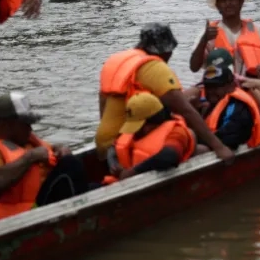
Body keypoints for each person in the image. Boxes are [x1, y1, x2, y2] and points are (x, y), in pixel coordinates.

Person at [96, 23, 234, 162]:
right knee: (195, 142)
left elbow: (103, 104)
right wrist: (219, 147)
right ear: (167, 51)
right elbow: (186, 111)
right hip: (126, 146)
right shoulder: (153, 67)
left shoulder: (117, 61)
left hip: (104, 144)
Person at [0, 92, 88, 222]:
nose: (30, 128)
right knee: (71, 165)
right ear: (5, 125)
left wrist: (61, 149)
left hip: (44, 203)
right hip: (26, 217)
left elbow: (51, 150)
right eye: (25, 123)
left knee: (87, 178)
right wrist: (31, 157)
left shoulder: (27, 141)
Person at [104, 92, 197, 183]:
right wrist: (116, 167)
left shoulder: (177, 132)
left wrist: (132, 172)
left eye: (138, 127)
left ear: (152, 123)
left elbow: (169, 156)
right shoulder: (136, 134)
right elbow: (113, 149)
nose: (134, 132)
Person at [190, 0, 260, 79]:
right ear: (217, 6)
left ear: (241, 2)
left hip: (252, 87)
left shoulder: (258, 30)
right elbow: (194, 67)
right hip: (220, 90)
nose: (228, 3)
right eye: (223, 0)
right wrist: (204, 40)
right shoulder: (208, 32)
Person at [197, 49, 260, 151]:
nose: (211, 91)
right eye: (208, 87)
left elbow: (230, 139)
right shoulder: (210, 104)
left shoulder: (238, 108)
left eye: (217, 86)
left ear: (231, 86)